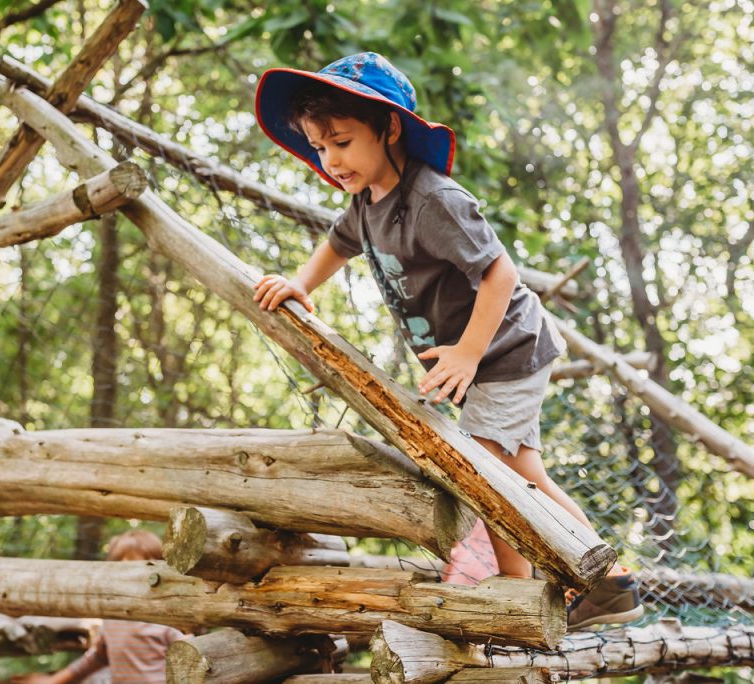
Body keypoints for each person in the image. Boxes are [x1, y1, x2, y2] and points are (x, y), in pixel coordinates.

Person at [252, 52, 642, 631]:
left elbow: (500, 274)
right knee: (521, 472)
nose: (331, 159)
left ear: (388, 129)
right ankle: (602, 585)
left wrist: (466, 352)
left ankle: (523, 591)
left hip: (507, 350)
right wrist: (300, 284)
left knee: (485, 469)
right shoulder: (365, 205)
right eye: (320, 147)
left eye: (342, 141)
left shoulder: (432, 198)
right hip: (484, 360)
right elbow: (337, 242)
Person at [10, 530, 184, 683]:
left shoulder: (166, 617)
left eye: (150, 568)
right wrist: (53, 681)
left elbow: (188, 653)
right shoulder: (112, 617)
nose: (140, 576)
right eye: (129, 568)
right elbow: (98, 657)